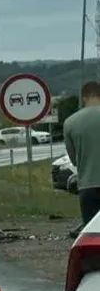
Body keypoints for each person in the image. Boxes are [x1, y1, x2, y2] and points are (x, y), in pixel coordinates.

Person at [64, 81, 100, 236]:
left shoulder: (70, 122)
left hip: (88, 186)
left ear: (84, 98)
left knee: (93, 236)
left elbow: (73, 160)